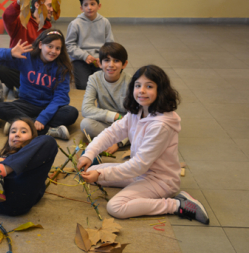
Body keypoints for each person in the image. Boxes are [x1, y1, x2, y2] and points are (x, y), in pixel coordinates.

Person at [77, 65, 210, 224]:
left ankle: (176, 204)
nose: (141, 90)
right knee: (91, 171)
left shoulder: (161, 125)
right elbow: (112, 132)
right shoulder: (138, 110)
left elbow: (139, 165)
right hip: (140, 174)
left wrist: (102, 174)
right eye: (138, 85)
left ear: (161, 90)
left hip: (160, 180)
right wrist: (89, 154)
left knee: (116, 207)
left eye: (149, 86)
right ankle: (133, 187)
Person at [0, 29, 79, 140]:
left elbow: (61, 98)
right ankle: (48, 130)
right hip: (26, 103)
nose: (53, 51)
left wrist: (43, 117)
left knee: (71, 113)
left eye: (58, 48)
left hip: (49, 106)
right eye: (50, 46)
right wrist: (10, 53)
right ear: (40, 44)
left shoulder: (62, 68)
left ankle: (19, 124)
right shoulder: (27, 58)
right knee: (1, 108)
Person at [0, 118, 58, 216]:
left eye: (23, 131)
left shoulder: (36, 159)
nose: (17, 134)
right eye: (13, 131)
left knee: (49, 141)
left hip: (17, 201)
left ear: (34, 139)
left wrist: (3, 162)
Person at [0, 0, 53, 98]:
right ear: (37, 5)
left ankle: (26, 88)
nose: (52, 10)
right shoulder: (22, 21)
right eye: (49, 6)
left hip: (35, 70)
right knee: (3, 69)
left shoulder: (48, 29)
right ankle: (27, 88)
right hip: (18, 66)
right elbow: (8, 16)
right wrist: (18, 3)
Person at [81, 42, 131, 154]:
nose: (111, 65)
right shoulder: (94, 79)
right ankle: (113, 139)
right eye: (107, 60)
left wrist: (119, 143)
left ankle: (117, 140)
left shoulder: (131, 82)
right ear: (100, 63)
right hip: (106, 121)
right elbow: (86, 109)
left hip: (126, 125)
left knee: (143, 127)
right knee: (86, 124)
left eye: (116, 61)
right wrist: (115, 116)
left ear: (124, 64)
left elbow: (135, 117)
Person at [66, 0, 114, 90]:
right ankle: (81, 72)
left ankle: (94, 73)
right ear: (81, 8)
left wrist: (102, 57)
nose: (89, 7)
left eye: (92, 4)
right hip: (80, 59)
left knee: (110, 81)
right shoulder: (75, 24)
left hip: (100, 59)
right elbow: (69, 45)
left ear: (99, 6)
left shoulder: (105, 22)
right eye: (86, 5)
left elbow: (110, 44)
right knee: (83, 85)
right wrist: (85, 56)